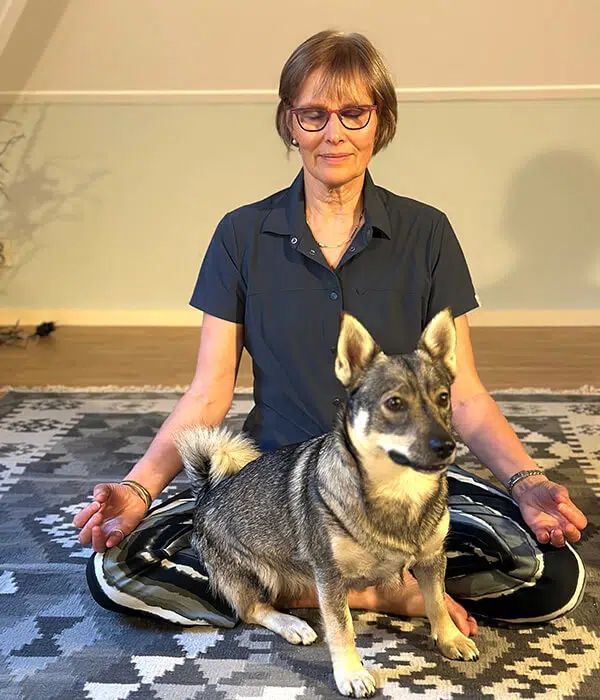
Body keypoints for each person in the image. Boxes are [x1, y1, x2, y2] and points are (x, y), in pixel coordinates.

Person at [74, 30, 587, 635]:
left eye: (353, 113)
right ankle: (379, 593)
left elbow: (465, 393)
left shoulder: (428, 233)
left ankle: (303, 587)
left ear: (380, 121)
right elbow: (208, 393)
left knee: (549, 574)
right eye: (313, 114)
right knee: (117, 569)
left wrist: (526, 483)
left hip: (401, 482)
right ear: (289, 123)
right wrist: (138, 490)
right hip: (276, 492)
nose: (333, 133)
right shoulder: (240, 234)